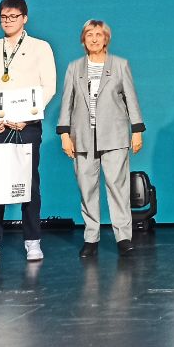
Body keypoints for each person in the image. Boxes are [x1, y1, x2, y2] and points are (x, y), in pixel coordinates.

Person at [0, 0, 57, 264]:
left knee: (28, 183)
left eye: (13, 17)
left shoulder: (40, 47)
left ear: (24, 18)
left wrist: (26, 117)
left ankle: (32, 241)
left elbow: (49, 86)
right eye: (3, 17)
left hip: (26, 126)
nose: (7, 21)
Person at [56, 20, 145, 259]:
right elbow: (67, 102)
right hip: (83, 137)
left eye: (99, 34)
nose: (94, 39)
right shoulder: (74, 67)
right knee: (87, 189)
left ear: (106, 39)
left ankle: (123, 237)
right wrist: (64, 134)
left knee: (118, 188)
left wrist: (137, 130)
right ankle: (91, 238)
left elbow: (131, 99)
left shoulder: (120, 64)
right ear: (83, 39)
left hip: (114, 135)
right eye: (89, 35)